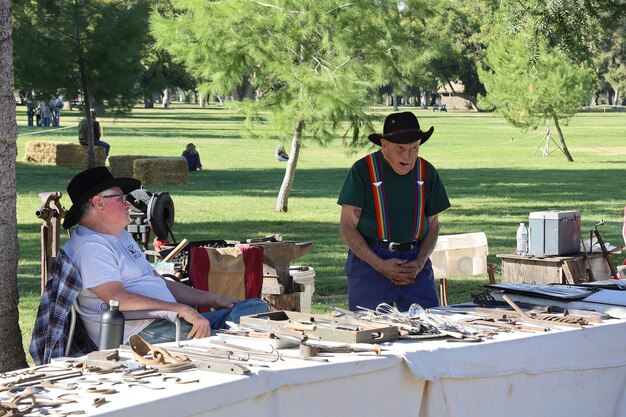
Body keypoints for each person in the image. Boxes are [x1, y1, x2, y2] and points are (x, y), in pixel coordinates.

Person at [60, 167, 269, 346]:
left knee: (254, 309)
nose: (128, 204)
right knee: (238, 342)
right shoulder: (89, 247)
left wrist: (213, 298)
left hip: (169, 321)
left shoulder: (120, 236)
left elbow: (160, 283)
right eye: (121, 198)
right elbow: (118, 300)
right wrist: (181, 310)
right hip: (139, 333)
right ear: (98, 202)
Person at [337, 111, 451, 312]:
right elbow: (347, 228)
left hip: (415, 263)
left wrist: (419, 262)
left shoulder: (427, 172)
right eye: (400, 148)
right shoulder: (363, 170)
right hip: (369, 261)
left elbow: (433, 226)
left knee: (427, 325)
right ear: (384, 145)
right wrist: (379, 264)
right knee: (371, 331)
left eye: (414, 148)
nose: (408, 156)